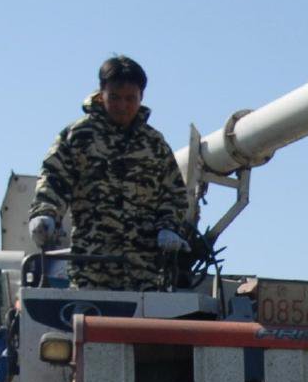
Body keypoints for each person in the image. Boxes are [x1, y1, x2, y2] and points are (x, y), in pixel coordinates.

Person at [28, 55, 190, 292]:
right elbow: (54, 179)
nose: (122, 106)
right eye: (114, 97)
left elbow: (174, 193)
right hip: (91, 269)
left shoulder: (154, 144)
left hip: (143, 274)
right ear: (101, 92)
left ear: (141, 97)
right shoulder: (78, 136)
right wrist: (45, 214)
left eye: (130, 99)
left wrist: (169, 227)